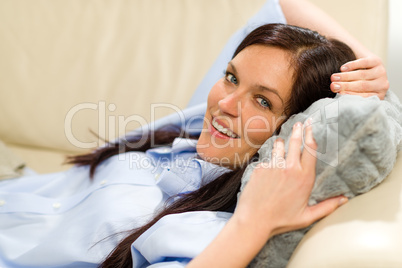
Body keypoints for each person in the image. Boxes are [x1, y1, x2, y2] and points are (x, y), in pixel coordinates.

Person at [0, 8, 390, 268]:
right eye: (232, 77)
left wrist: (251, 226)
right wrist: (368, 67)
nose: (225, 102)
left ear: (290, 127)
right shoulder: (198, 129)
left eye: (262, 101)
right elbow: (281, 4)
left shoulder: (208, 228)